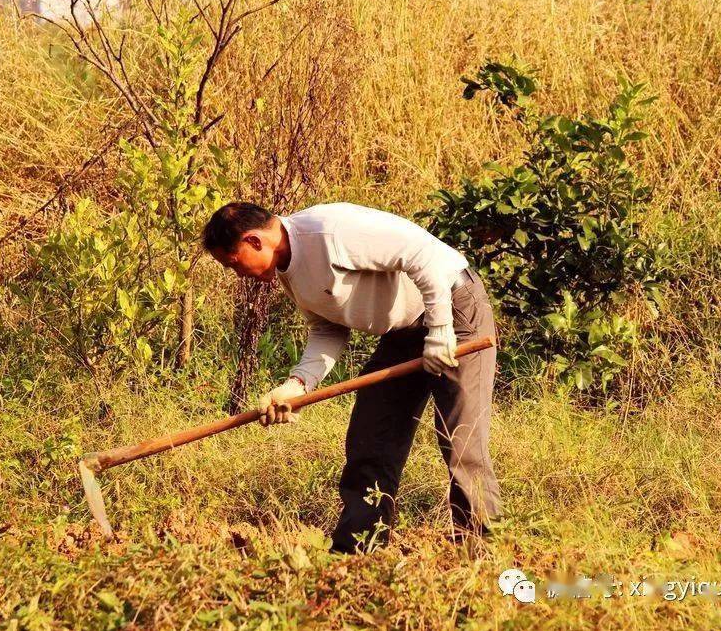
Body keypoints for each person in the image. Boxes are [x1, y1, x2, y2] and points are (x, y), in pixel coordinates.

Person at [202, 201, 500, 553]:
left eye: (234, 263)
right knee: (371, 439)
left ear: (254, 241)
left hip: (454, 311)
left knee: (461, 438)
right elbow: (327, 330)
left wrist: (440, 330)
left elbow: (424, 255)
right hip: (401, 333)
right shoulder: (287, 269)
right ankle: (355, 555)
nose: (238, 274)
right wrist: (296, 385)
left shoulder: (330, 231)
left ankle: (479, 553)